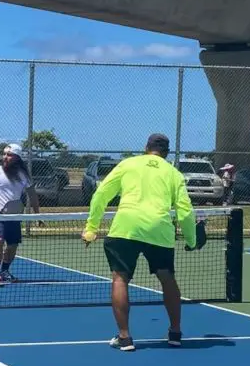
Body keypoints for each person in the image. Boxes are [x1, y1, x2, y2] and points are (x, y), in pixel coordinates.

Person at [81, 133, 197, 352]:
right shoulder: (173, 173)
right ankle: (175, 332)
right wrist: (191, 240)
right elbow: (185, 212)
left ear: (146, 147)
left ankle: (125, 338)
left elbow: (100, 195)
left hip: (126, 227)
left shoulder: (128, 164)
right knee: (167, 278)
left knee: (120, 279)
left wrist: (91, 229)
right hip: (160, 230)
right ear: (167, 152)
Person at [0, 143, 41, 283]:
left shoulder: (24, 176)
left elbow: (32, 195)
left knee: (13, 245)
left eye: (9, 155)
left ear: (17, 158)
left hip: (15, 215)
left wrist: (38, 215)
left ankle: (5, 270)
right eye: (4, 154)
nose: (5, 157)